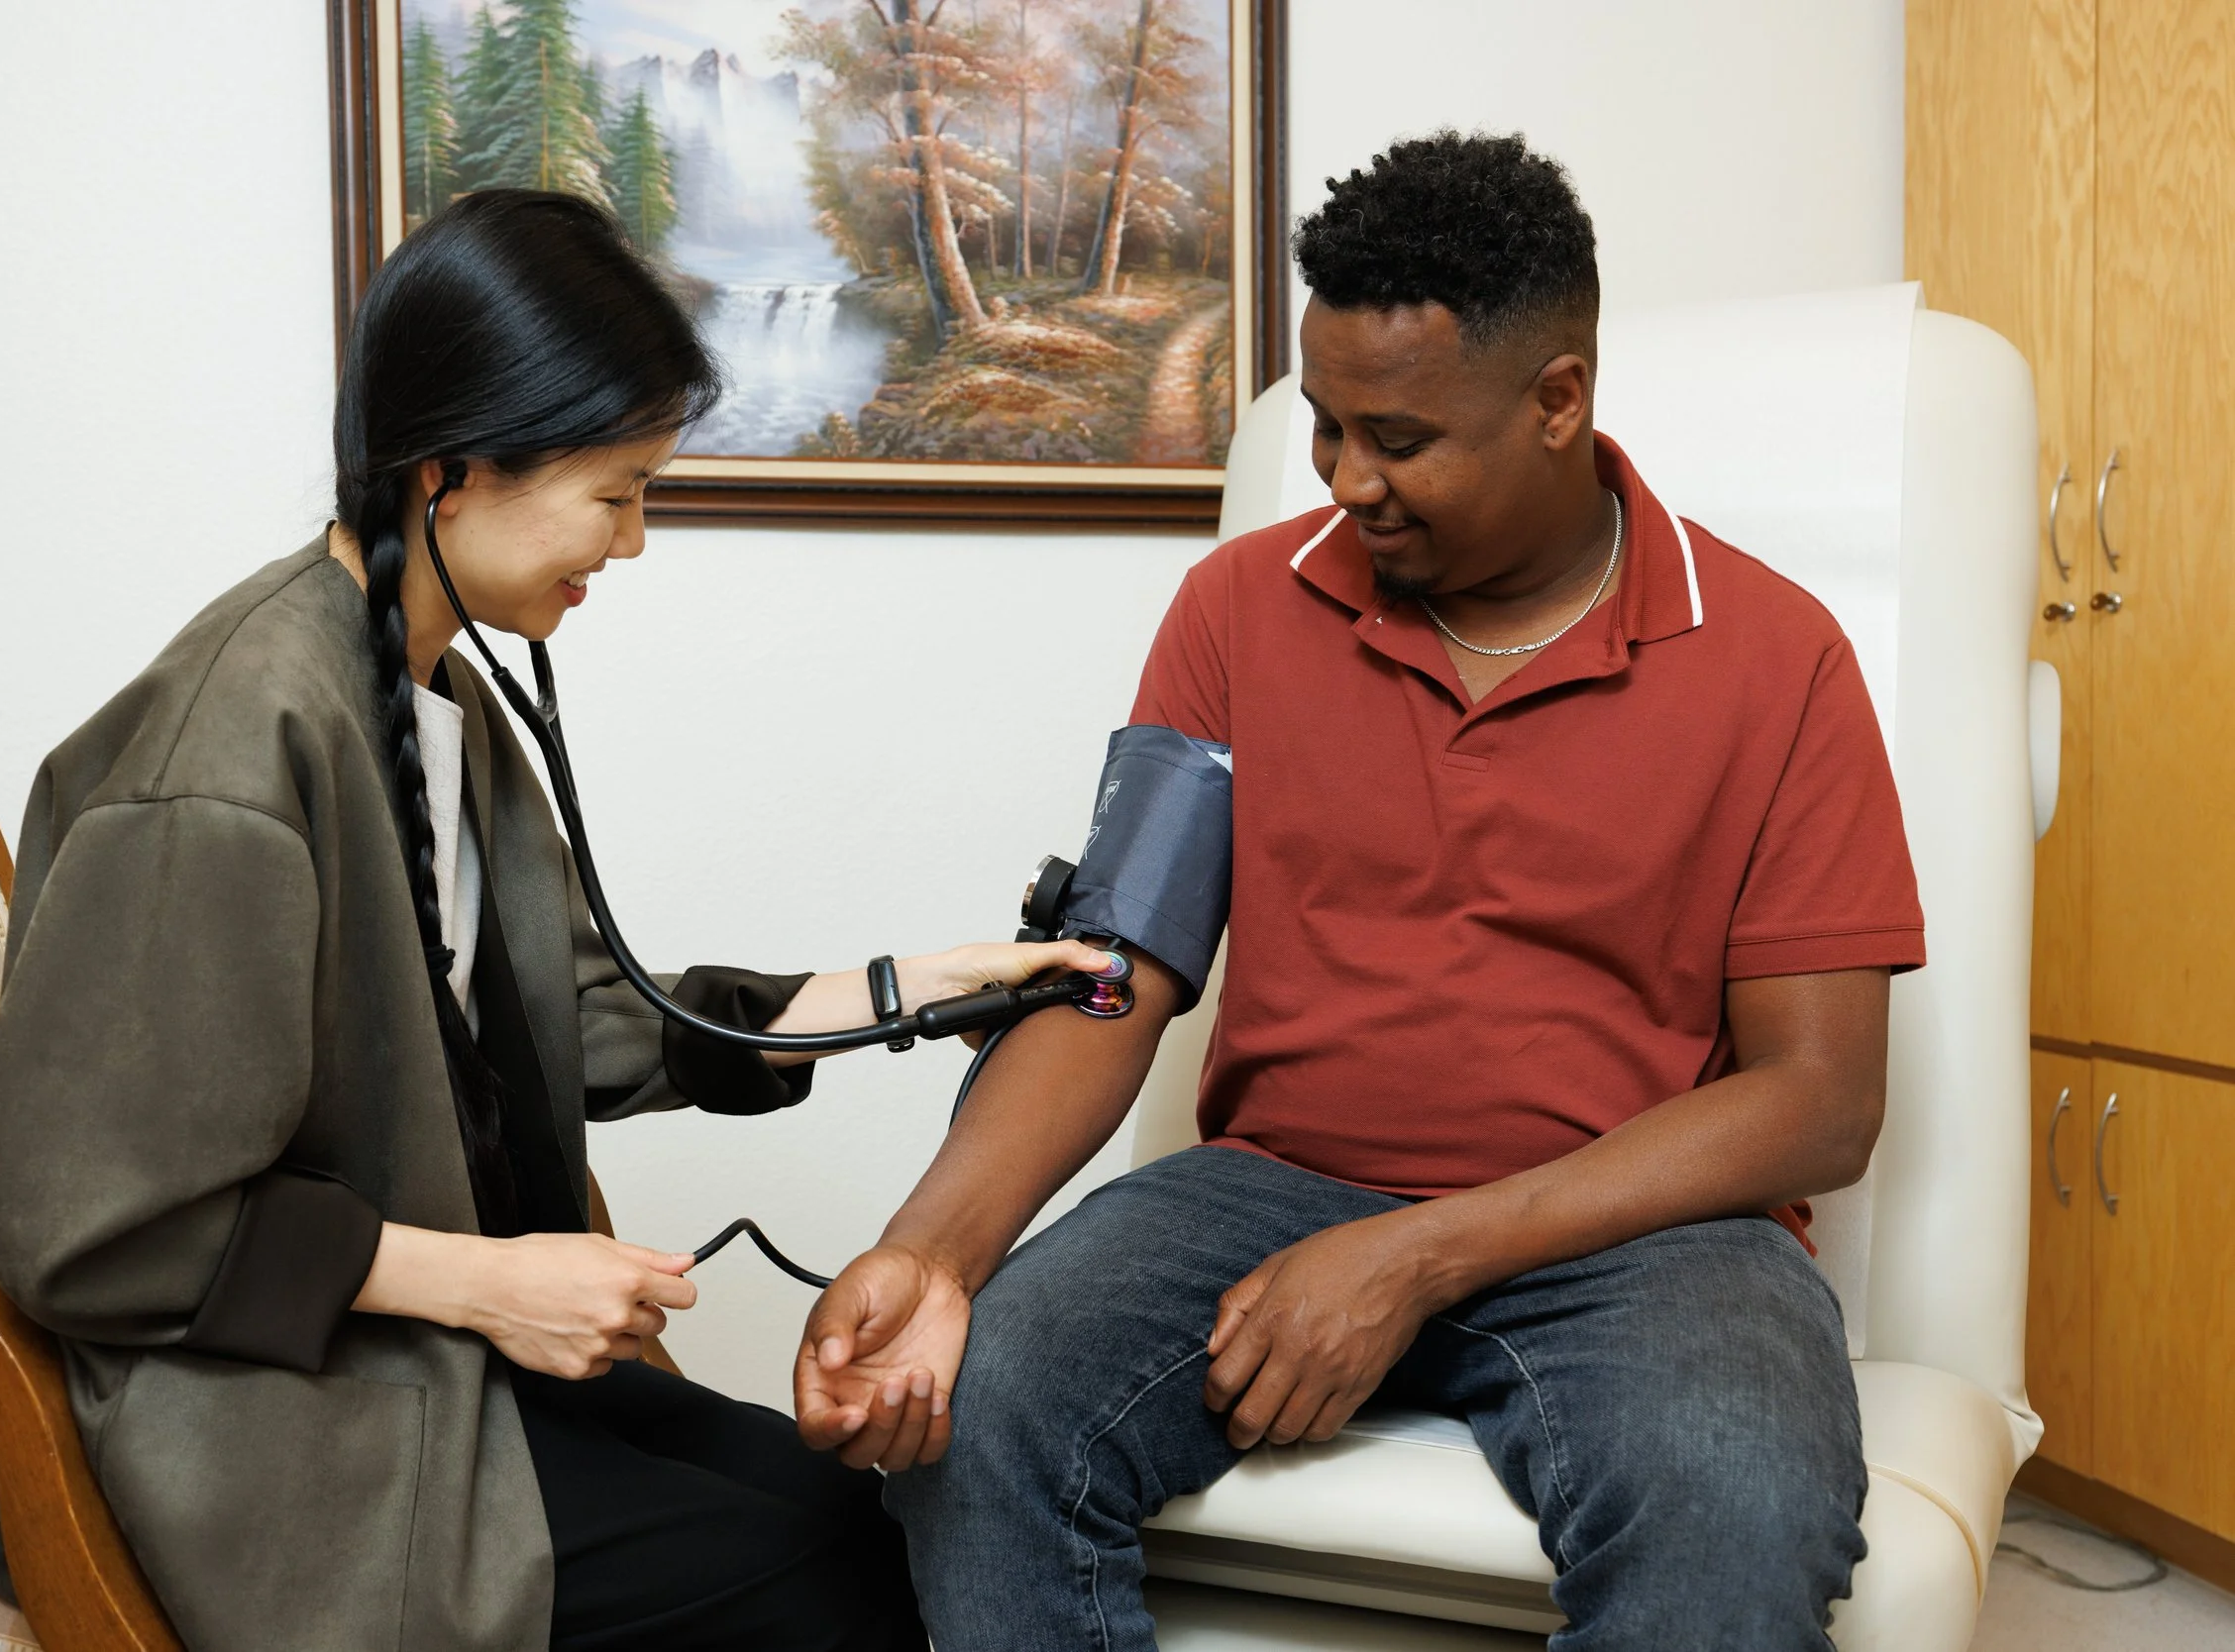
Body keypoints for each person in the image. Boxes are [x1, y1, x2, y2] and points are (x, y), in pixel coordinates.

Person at [793, 132, 1926, 1650]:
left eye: (1396, 438)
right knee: (976, 1401)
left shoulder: (1777, 658)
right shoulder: (1238, 608)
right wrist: (930, 1254)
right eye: (1325, 427)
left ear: (1559, 402)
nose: (1344, 480)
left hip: (1642, 1233)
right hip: (1269, 1190)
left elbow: (1819, 1102)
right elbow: (1115, 972)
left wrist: (1416, 1255)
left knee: (1732, 1494)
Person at [0, 188, 1109, 1652]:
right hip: (239, 1421)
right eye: (617, 492)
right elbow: (97, 1228)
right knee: (807, 1591)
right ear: (454, 471)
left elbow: (593, 1022)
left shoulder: (437, 697)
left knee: (866, 1516)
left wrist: (900, 988)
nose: (631, 543)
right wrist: (492, 1283)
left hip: (417, 1363)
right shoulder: (221, 758)